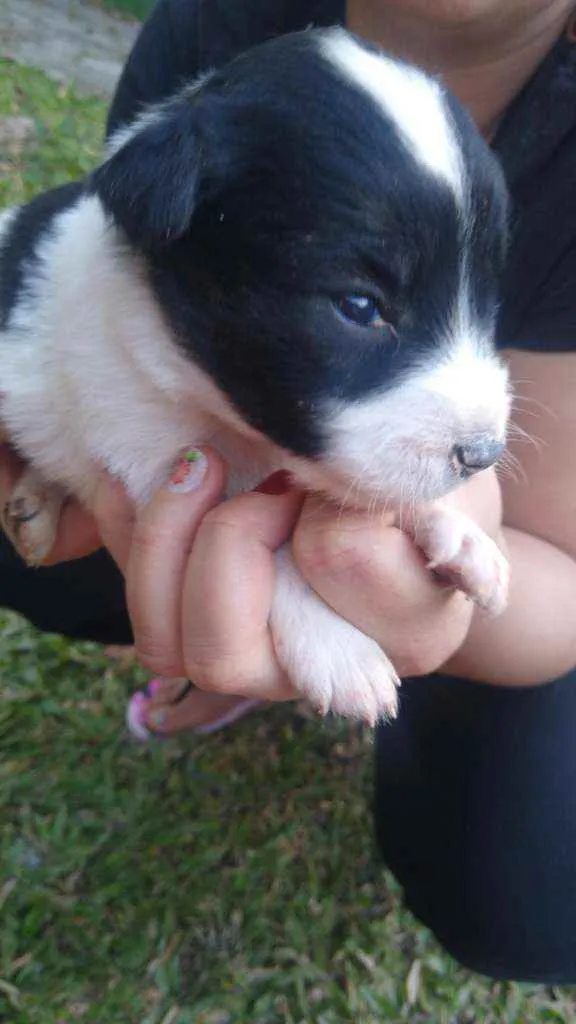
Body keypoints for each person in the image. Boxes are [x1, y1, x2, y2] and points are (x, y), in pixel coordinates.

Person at [2, 0, 576, 983]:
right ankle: (230, 657)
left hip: (543, 587)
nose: (483, 417)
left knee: (534, 894)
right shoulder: (215, 54)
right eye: (364, 306)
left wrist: (441, 530)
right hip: (84, 414)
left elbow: (556, 568)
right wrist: (296, 600)